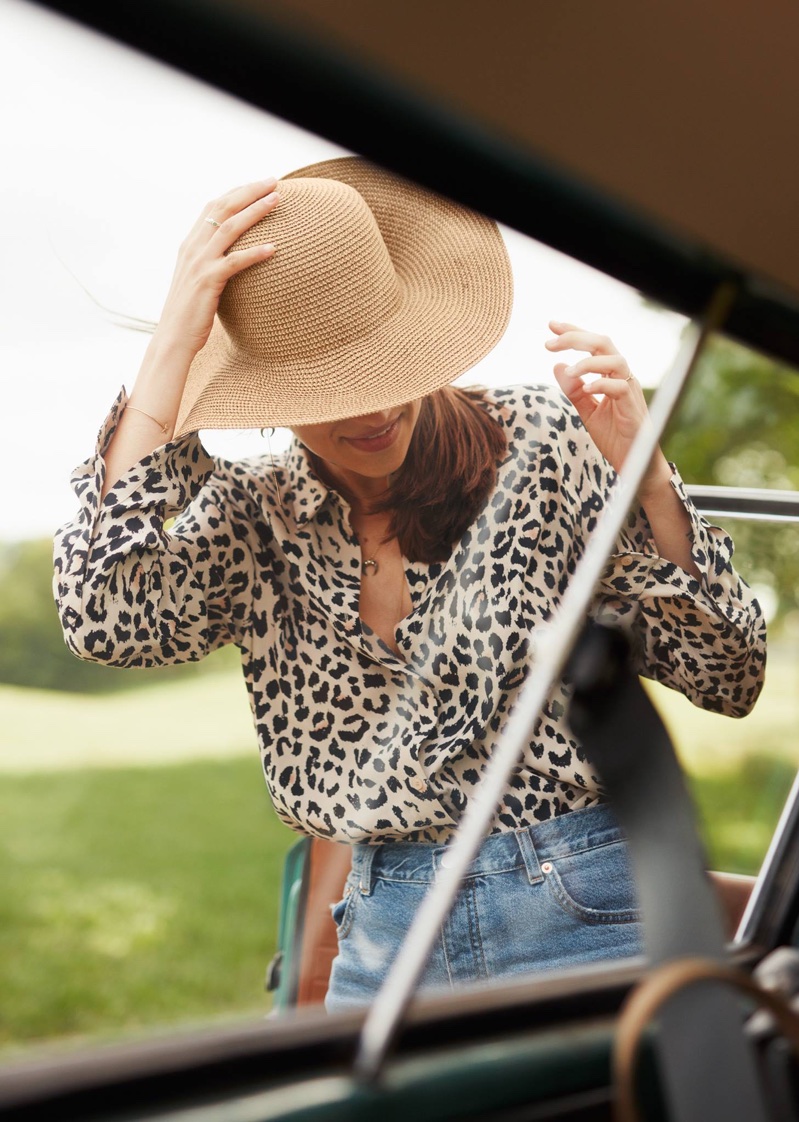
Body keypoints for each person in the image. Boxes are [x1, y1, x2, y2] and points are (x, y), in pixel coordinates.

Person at [53, 157, 766, 1013]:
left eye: (382, 367)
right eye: (330, 385)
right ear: (271, 396)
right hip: (383, 931)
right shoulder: (255, 516)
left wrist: (644, 475)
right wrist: (176, 349)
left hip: (584, 898)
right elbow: (104, 617)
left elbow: (729, 675)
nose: (370, 409)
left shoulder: (541, 442)